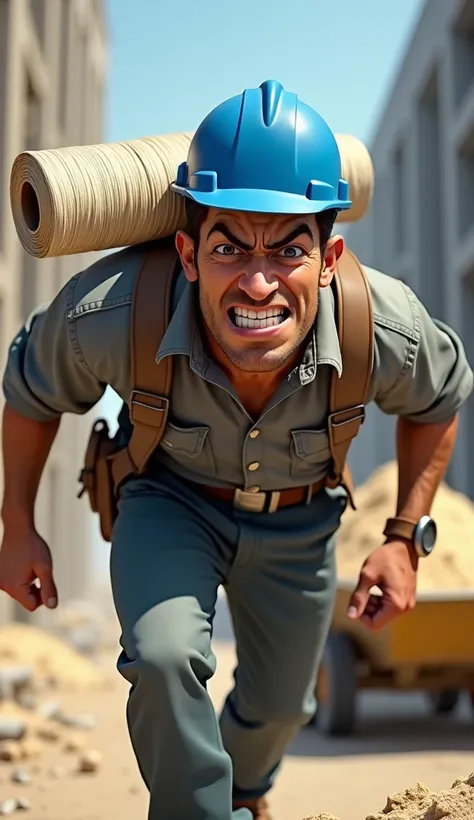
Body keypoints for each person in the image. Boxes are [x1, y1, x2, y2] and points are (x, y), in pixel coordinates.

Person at [0, 80, 472, 820]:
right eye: (229, 246)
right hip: (169, 501)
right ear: (187, 253)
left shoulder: (382, 327)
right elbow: (31, 393)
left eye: (288, 248)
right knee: (161, 659)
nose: (258, 281)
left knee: (284, 706)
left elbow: (438, 403)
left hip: (303, 518)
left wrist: (404, 538)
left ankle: (245, 789)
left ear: (328, 255)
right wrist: (18, 525)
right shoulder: (112, 313)